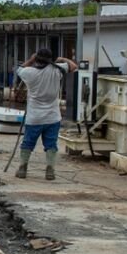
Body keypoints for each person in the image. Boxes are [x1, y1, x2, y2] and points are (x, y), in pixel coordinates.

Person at [14, 48, 77, 181]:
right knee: (51, 145)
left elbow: (19, 69)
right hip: (52, 117)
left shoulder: (29, 72)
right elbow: (74, 66)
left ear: (37, 58)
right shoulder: (57, 70)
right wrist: (62, 59)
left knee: (27, 143)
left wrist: (31, 59)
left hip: (34, 118)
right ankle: (50, 171)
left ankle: (22, 169)